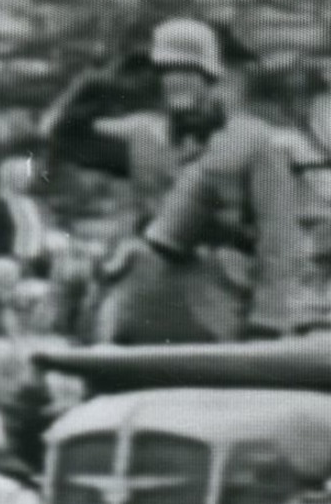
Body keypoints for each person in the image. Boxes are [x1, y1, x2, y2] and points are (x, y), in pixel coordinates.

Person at [43, 17, 310, 344]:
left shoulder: (252, 140)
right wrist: (102, 79)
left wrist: (269, 317)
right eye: (166, 73)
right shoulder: (142, 136)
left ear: (211, 78)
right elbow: (60, 134)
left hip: (221, 303)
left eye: (187, 72)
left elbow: (279, 234)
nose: (176, 82)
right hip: (147, 299)